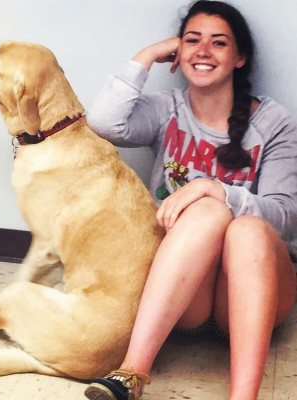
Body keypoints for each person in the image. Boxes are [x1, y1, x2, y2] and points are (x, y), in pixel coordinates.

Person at [83, 1, 297, 399]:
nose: (203, 51)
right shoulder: (167, 110)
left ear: (240, 58)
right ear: (177, 51)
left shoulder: (273, 122)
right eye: (192, 41)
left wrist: (217, 189)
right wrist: (146, 56)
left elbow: (285, 217)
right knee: (207, 212)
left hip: (254, 292)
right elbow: (103, 122)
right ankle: (130, 374)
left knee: (246, 228)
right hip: (188, 295)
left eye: (218, 43)